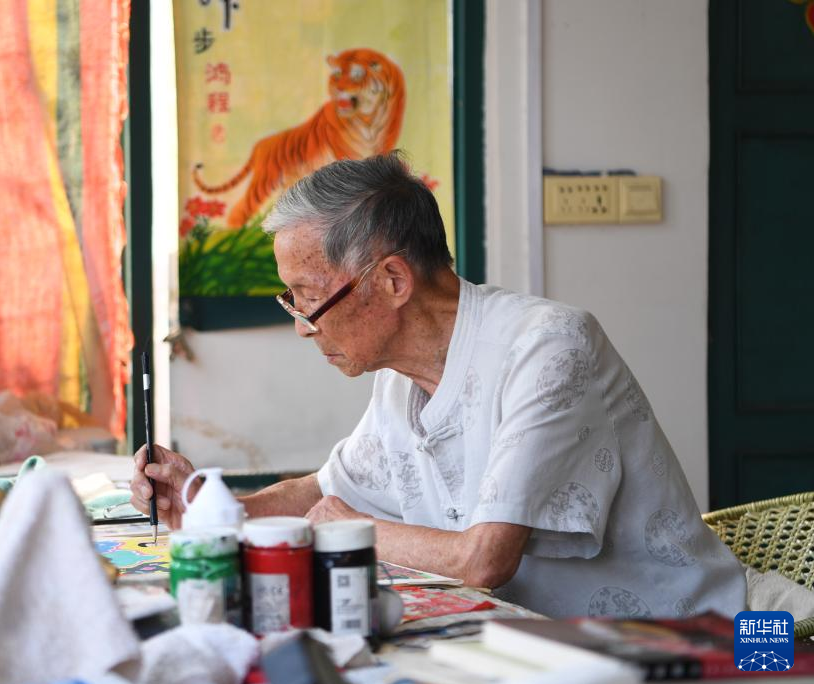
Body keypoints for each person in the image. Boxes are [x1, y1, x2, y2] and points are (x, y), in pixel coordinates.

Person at [131, 152, 745, 619]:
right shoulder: (401, 380)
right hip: (539, 647)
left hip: (707, 640)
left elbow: (483, 560)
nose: (302, 326)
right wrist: (203, 501)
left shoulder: (548, 346)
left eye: (308, 300)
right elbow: (325, 490)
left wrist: (346, 529)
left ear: (393, 281)